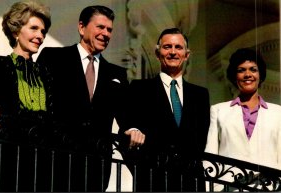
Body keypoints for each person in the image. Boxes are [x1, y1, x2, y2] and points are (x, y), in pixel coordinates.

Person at [36, 5, 129, 192]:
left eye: (109, 29)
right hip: (56, 159)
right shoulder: (53, 58)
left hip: (96, 166)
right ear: (81, 27)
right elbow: (38, 100)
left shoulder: (117, 73)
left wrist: (133, 128)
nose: (106, 33)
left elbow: (126, 114)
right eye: (100, 27)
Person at [119, 27, 210, 192]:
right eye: (167, 47)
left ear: (187, 54)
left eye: (178, 47)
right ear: (157, 52)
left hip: (191, 183)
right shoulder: (139, 89)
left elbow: (200, 141)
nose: (173, 52)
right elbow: (127, 127)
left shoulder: (200, 95)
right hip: (152, 181)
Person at [0, 0, 53, 191]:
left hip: (44, 162)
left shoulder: (47, 74)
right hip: (8, 158)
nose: (40, 36)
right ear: (15, 31)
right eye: (34, 28)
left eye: (43, 32)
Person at [204, 47, 281, 170]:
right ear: (234, 77)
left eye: (253, 69)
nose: (247, 75)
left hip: (268, 187)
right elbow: (210, 157)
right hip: (229, 186)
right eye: (241, 70)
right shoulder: (218, 111)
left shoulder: (278, 113)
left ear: (260, 75)